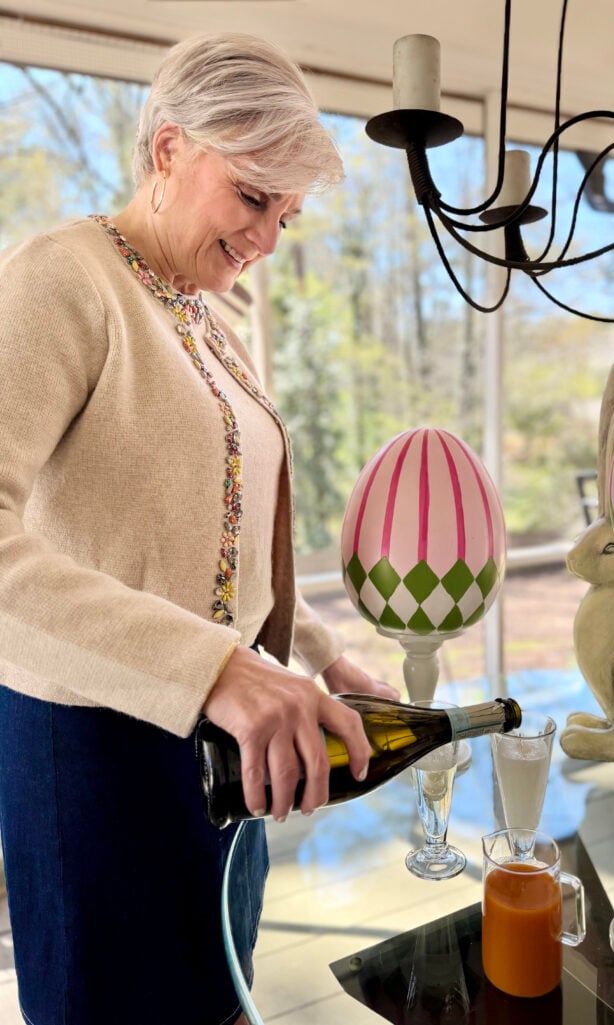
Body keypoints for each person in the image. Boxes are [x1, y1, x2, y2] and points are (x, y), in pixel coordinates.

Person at [0, 32, 399, 1025]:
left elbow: (214, 532)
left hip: (224, 749)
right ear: (169, 150)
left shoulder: (204, 323)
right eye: (254, 197)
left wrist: (314, 649)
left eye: (288, 214)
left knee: (218, 996)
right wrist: (220, 668)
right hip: (96, 748)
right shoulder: (63, 277)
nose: (267, 236)